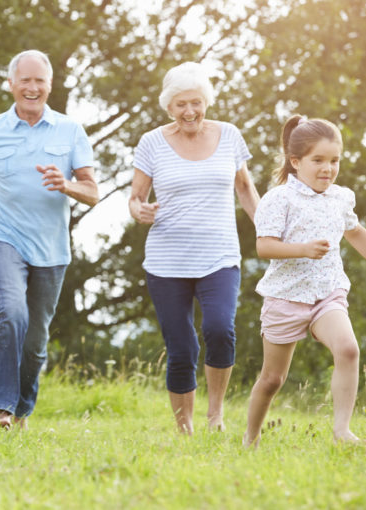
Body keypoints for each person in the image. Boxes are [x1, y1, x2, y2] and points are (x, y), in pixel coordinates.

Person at [128, 61, 259, 435]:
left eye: (196, 103)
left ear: (206, 102)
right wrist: (140, 210)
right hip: (167, 262)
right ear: (169, 107)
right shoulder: (152, 142)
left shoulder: (229, 135)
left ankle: (215, 414)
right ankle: (183, 427)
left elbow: (246, 189)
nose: (190, 112)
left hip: (219, 256)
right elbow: (135, 198)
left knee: (220, 329)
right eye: (182, 104)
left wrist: (268, 229)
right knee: (181, 346)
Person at [0, 50, 99, 431]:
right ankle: (0, 409)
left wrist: (66, 185)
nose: (32, 88)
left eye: (39, 81)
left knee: (35, 340)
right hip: (5, 236)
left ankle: (21, 411)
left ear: (50, 85)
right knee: (11, 312)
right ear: (11, 84)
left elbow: (93, 192)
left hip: (52, 247)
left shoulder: (70, 130)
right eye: (24, 81)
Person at [243, 116, 366, 446]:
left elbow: (354, 233)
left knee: (348, 349)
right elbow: (264, 246)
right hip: (286, 297)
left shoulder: (340, 198)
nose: (328, 168)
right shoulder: (279, 199)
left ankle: (342, 431)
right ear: (295, 162)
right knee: (272, 379)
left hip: (327, 293)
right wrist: (302, 249)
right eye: (319, 161)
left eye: (334, 160)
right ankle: (250, 440)